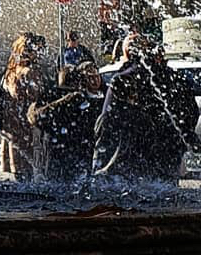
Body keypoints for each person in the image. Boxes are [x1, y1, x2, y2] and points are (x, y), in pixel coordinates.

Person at [93, 36, 199, 182]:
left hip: (132, 159)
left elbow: (105, 120)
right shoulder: (170, 77)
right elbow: (191, 112)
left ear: (126, 54)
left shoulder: (124, 77)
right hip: (160, 156)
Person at [29, 62, 104, 186]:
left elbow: (34, 117)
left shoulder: (50, 94)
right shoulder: (76, 98)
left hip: (52, 151)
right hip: (61, 152)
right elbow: (35, 116)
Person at [0, 33, 52, 181]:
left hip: (11, 120)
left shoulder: (10, 70)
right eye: (37, 50)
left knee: (16, 159)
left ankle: (17, 174)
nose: (40, 54)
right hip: (26, 121)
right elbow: (36, 96)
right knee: (28, 162)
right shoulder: (29, 72)